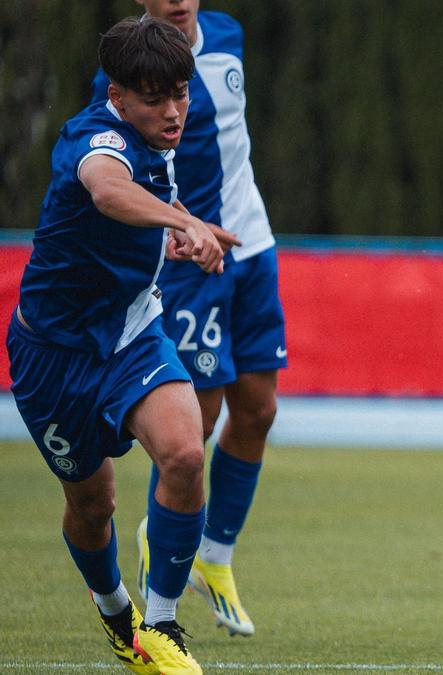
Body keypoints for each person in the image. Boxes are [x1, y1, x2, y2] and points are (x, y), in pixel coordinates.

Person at [6, 15, 241, 675]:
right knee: (93, 504)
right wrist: (187, 220)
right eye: (156, 98)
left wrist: (175, 240)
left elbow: (126, 217)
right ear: (118, 94)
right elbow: (108, 191)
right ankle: (118, 618)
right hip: (52, 355)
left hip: (134, 333)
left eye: (182, 95)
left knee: (186, 452)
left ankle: (161, 625)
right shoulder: (96, 134)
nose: (174, 112)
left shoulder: (153, 137)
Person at [91, 0, 287, 638]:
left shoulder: (228, 34)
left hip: (252, 246)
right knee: (191, 426)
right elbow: (119, 171)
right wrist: (179, 226)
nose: (177, 1)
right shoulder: (122, 72)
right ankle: (160, 555)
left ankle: (216, 558)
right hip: (189, 258)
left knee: (258, 409)